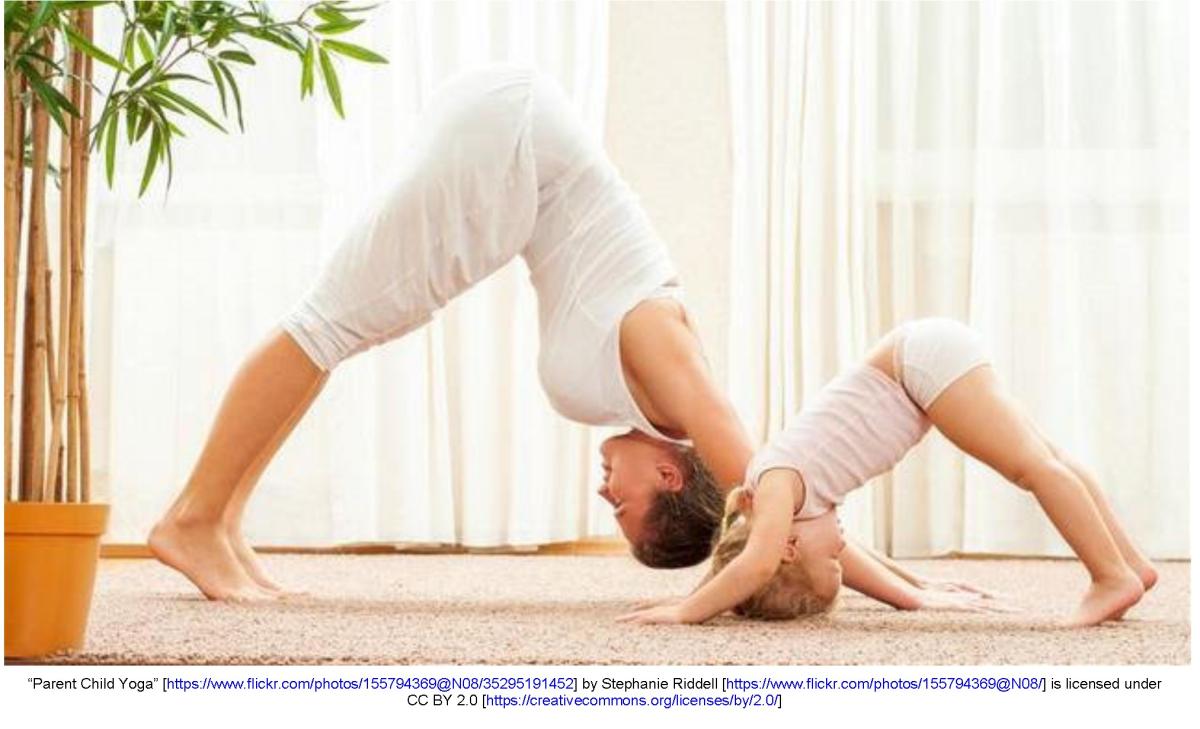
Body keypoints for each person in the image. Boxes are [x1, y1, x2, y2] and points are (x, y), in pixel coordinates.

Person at [149, 65, 752, 600]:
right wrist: (784, 554)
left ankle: (222, 519)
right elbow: (761, 481)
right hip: (512, 146)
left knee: (337, 331)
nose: (604, 497)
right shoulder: (672, 371)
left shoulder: (647, 397)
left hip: (513, 148)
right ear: (670, 477)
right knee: (326, 324)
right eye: (623, 504)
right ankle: (193, 520)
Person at [617, 318, 1158, 627]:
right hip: (923, 365)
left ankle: (1110, 577)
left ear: (784, 545)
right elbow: (782, 561)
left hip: (916, 370)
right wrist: (916, 593)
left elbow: (754, 565)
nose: (842, 547)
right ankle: (1132, 564)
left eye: (828, 557)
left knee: (1034, 469)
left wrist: (686, 611)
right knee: (1048, 458)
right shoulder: (790, 508)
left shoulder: (773, 483)